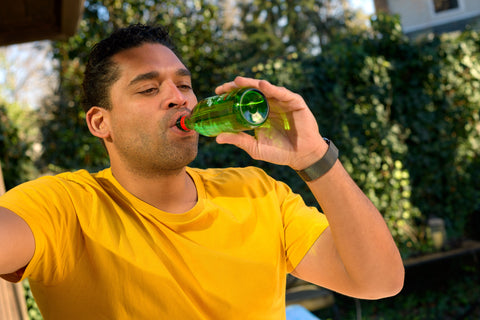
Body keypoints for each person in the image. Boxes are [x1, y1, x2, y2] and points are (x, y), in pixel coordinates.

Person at [0, 24, 404, 319]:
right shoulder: (62, 206)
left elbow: (380, 281)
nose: (178, 98)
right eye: (148, 88)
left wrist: (314, 155)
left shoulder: (257, 192)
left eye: (184, 85)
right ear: (100, 122)